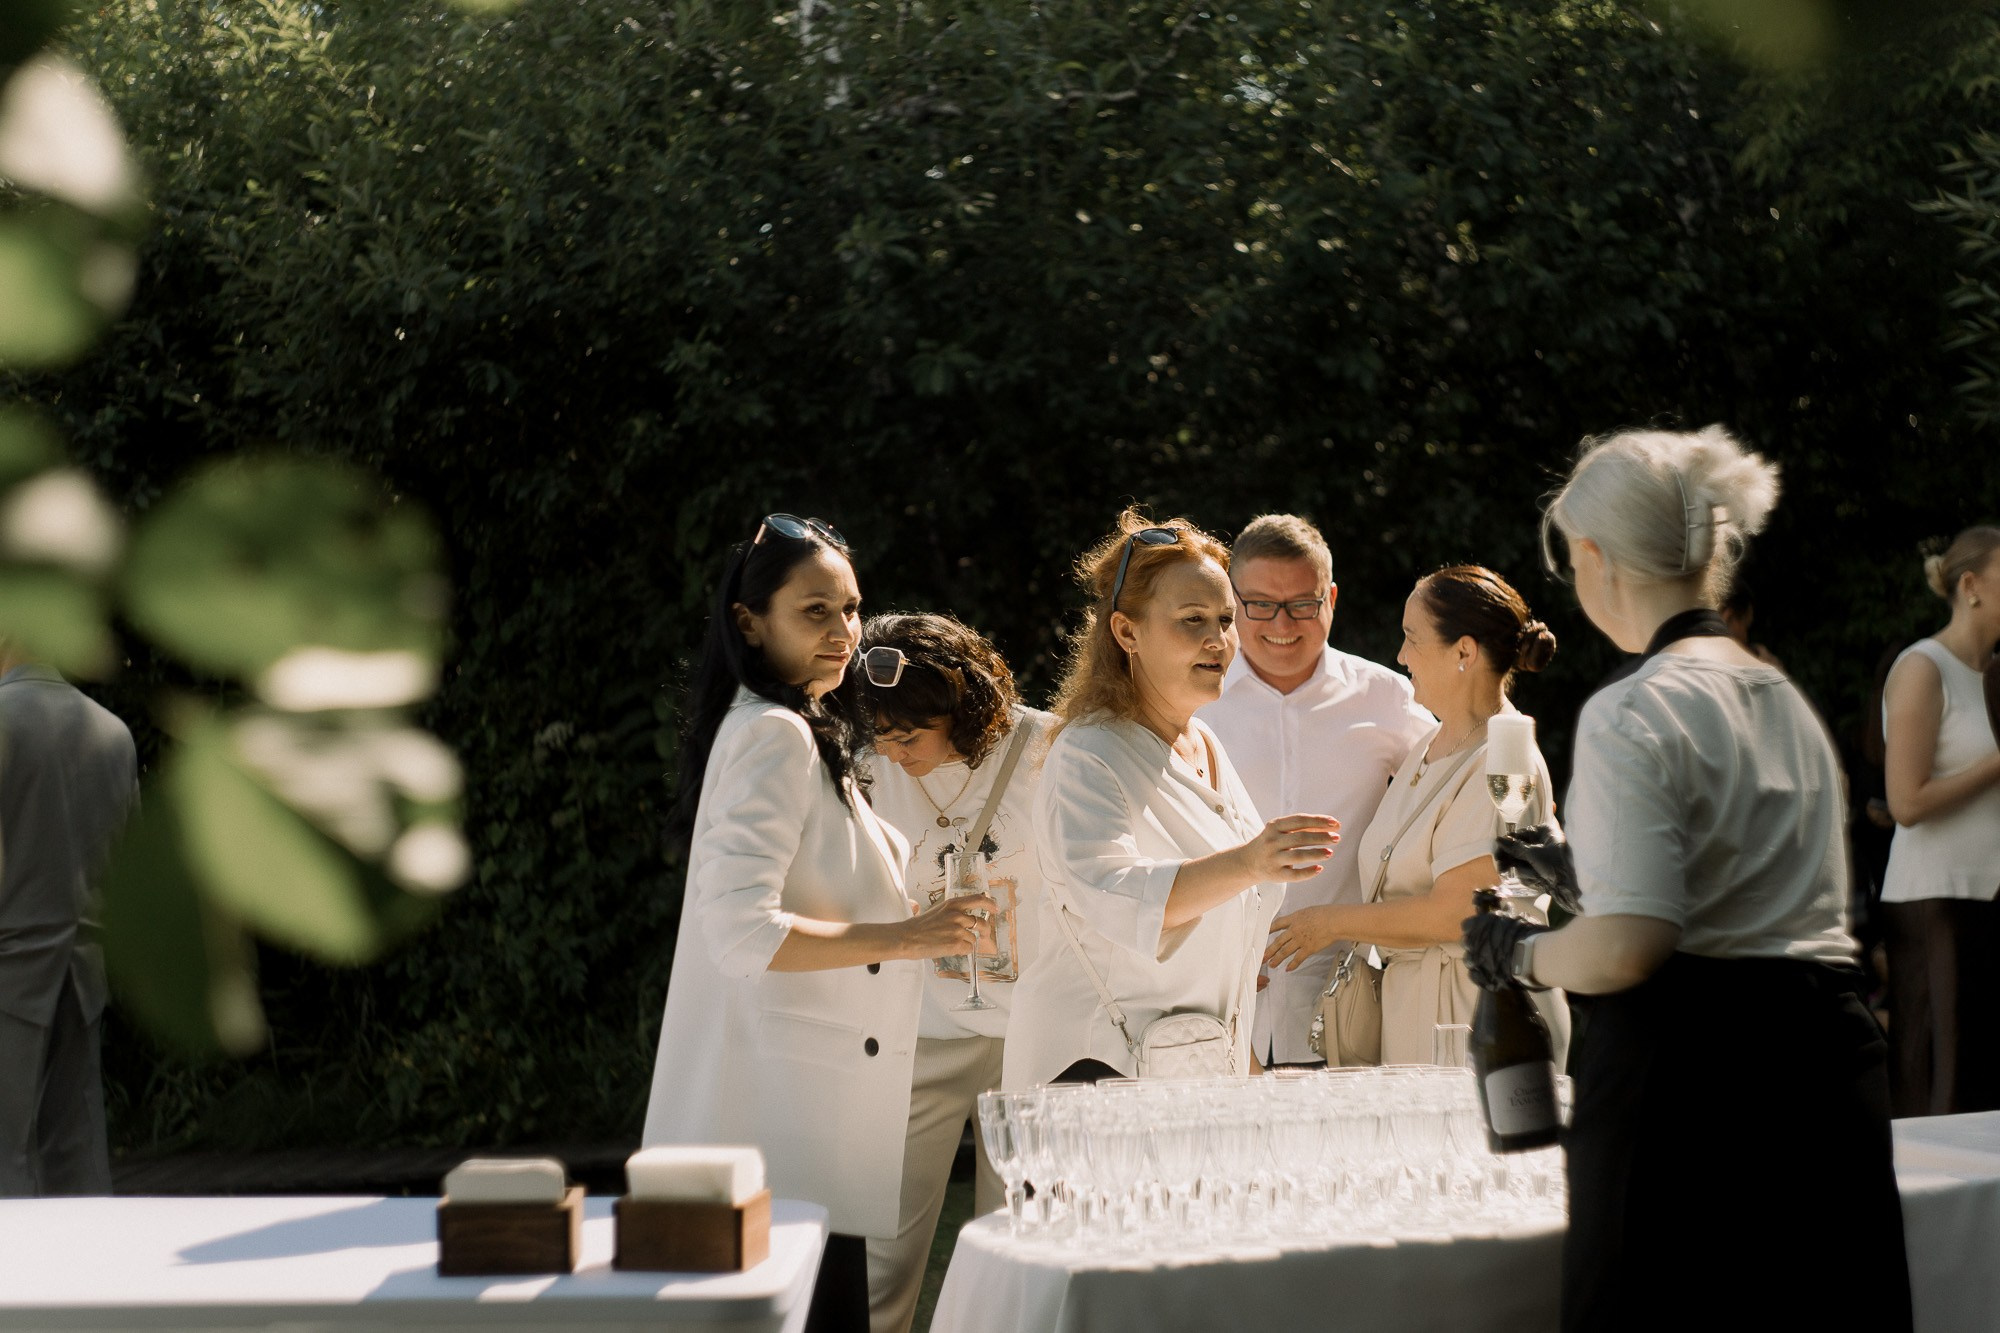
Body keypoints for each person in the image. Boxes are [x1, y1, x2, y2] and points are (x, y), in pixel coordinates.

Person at [1466, 425, 1911, 1332]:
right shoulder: (1783, 696)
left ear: (1596, 558)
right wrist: (1580, 878)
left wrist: (1519, 952)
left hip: (1696, 1085)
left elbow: (1631, 945)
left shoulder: (1635, 705)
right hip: (1828, 1065)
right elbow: (1746, 886)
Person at [642, 515, 995, 1333]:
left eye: (850, 608)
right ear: (749, 622)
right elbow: (743, 932)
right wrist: (910, 937)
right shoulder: (773, 734)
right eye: (815, 611)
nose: (844, 632)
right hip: (778, 1140)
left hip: (798, 1137)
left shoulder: (791, 727)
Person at [1001, 511, 1337, 1088]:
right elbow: (1115, 893)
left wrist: (1250, 1077)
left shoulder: (1204, 741)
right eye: (1192, 620)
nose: (1218, 640)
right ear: (1126, 633)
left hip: (1189, 1073)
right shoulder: (1088, 751)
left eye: (1225, 619)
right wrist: (1250, 861)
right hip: (1096, 1073)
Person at [1261, 566, 1562, 1065]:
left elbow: (1461, 911)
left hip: (1475, 1024)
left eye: (1412, 638)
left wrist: (1330, 923)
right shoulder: (1428, 744)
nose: (1400, 656)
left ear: (1464, 652)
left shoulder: (1507, 756)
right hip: (1421, 1018)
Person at [855, 613, 1054, 1333]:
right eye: (880, 734)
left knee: (1021, 1253)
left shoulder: (1050, 749)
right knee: (879, 1255)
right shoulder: (867, 770)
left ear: (962, 707)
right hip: (919, 1031)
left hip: (1036, 1035)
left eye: (909, 736)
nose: (892, 752)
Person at [1198, 515, 1432, 1068]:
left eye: (1302, 604)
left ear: (1331, 598)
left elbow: (1458, 779)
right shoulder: (1192, 698)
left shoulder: (1386, 697)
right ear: (1232, 602)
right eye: (1260, 604)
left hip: (1343, 1009)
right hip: (1214, 1006)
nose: (1282, 623)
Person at [0, 650, 136, 1197]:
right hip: (84, 971)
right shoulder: (114, 733)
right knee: (76, 1153)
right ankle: (89, 1255)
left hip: (8, 969)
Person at [1879, 525, 2000, 1116]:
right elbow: (1905, 802)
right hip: (1938, 905)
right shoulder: (1922, 667)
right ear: (1970, 586)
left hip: (1991, 898)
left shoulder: (1995, 676)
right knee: (1943, 1091)